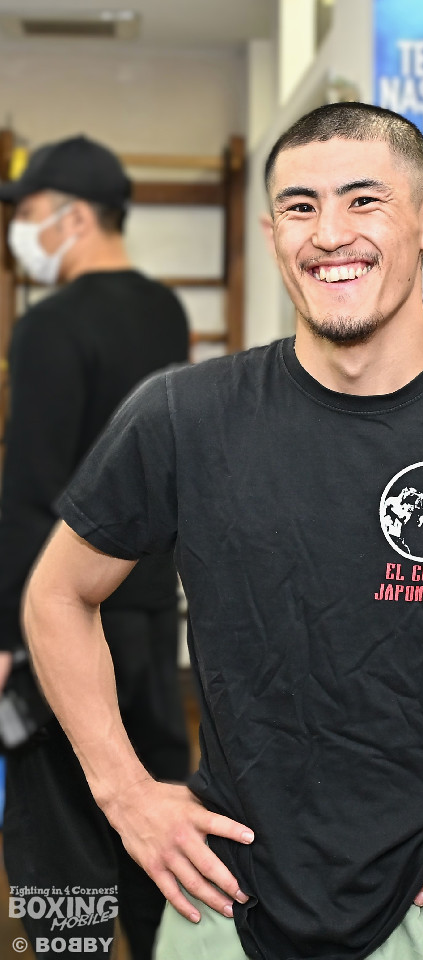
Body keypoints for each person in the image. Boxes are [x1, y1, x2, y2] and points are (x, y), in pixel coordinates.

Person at [22, 104, 423, 960]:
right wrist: (124, 793)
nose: (329, 234)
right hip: (225, 895)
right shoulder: (184, 416)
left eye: (364, 200)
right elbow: (56, 596)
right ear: (273, 234)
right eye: (300, 207)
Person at [0, 135, 190, 960]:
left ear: (73, 218)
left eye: (29, 215)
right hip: (147, 612)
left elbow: (32, 493)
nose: (19, 234)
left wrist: (9, 636)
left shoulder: (49, 327)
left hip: (68, 617)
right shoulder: (165, 311)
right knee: (157, 826)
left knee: (61, 839)